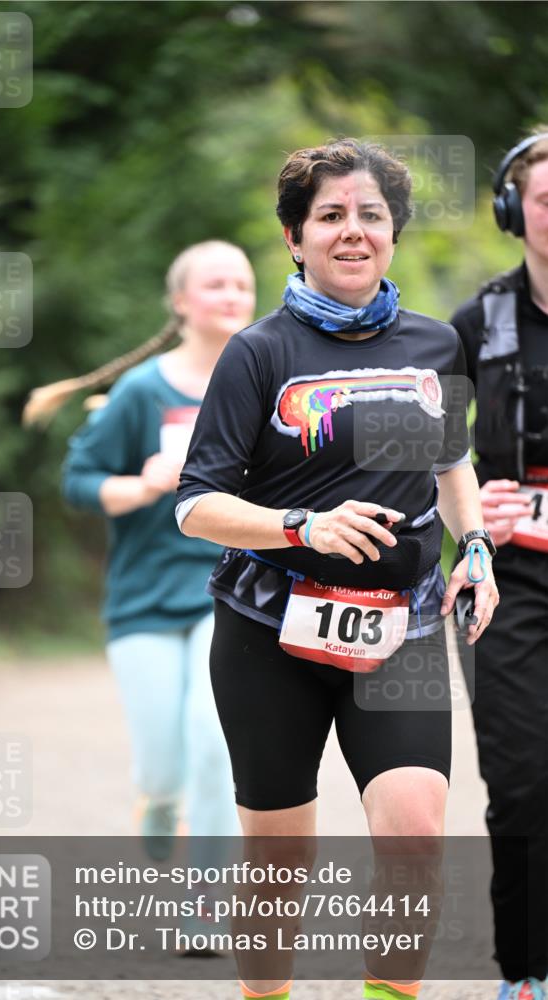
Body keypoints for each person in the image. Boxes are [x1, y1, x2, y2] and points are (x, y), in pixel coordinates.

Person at [175, 140, 499, 1000]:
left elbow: (451, 461)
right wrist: (302, 524)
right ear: (294, 237)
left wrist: (473, 549)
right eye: (329, 217)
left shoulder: (434, 344)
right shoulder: (258, 353)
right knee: (279, 860)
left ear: (391, 235)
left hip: (401, 629)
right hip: (267, 633)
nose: (350, 232)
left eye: (369, 216)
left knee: (416, 835)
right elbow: (195, 504)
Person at [27, 241, 255, 859]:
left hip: (232, 592)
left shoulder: (264, 384)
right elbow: (78, 482)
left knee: (214, 742)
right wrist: (145, 484)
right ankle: (156, 802)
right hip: (145, 596)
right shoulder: (139, 391)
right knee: (163, 766)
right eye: (216, 284)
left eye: (241, 283)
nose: (232, 294)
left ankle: (204, 899)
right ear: (181, 302)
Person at [450, 129, 548, 1000]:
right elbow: (419, 451)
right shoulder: (477, 324)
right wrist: (476, 498)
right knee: (521, 781)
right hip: (505, 584)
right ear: (514, 213)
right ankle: (527, 973)